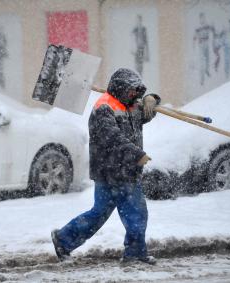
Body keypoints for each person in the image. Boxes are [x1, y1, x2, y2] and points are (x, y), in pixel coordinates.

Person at [51, 68, 160, 264]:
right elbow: (113, 139)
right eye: (131, 90)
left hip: (121, 171)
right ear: (120, 88)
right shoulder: (104, 108)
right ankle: (134, 254)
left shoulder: (131, 105)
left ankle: (63, 239)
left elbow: (145, 113)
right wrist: (137, 155)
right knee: (136, 213)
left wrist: (153, 99)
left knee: (99, 214)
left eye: (137, 91)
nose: (135, 95)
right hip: (112, 171)